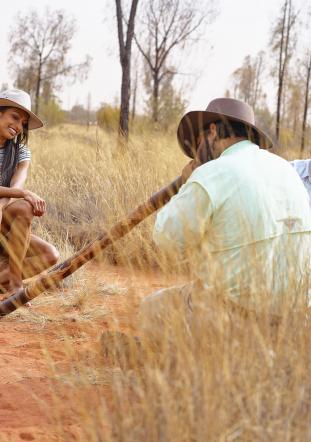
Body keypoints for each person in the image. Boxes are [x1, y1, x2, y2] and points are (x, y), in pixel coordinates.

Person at [139, 98, 311, 342]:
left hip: (236, 321)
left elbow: (166, 239)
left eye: (198, 139)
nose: (197, 147)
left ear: (212, 131)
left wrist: (192, 179)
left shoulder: (211, 173)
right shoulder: (287, 170)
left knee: (151, 309)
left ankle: (182, 359)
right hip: (296, 321)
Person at [0, 89, 59, 296]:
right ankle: (15, 285)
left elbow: (16, 187)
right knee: (23, 201)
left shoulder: (21, 152)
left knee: (51, 255)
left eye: (22, 122)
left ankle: (13, 284)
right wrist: (23, 194)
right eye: (14, 117)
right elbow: (19, 192)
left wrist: (3, 204)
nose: (17, 126)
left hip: (3, 218)